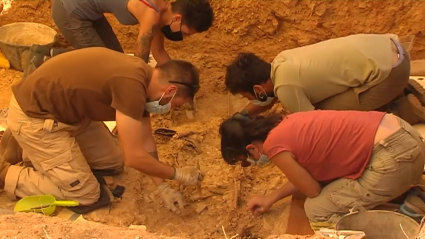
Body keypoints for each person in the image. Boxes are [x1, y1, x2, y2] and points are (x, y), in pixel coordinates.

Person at [0, 47, 203, 214]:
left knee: (112, 163)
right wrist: (177, 175)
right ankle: (5, 172)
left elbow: (146, 141)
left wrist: (162, 186)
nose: (168, 109)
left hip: (67, 115)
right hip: (35, 117)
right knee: (87, 195)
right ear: (170, 91)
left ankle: (28, 148)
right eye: (174, 104)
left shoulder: (142, 77)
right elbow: (133, 157)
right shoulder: (131, 86)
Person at [218, 110, 425, 231]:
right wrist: (272, 197)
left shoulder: (273, 146)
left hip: (396, 158)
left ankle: (402, 219)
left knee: (317, 208)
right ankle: (413, 198)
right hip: (407, 136)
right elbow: (307, 176)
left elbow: (312, 189)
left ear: (251, 148)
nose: (251, 164)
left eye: (246, 161)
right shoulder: (286, 122)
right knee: (333, 191)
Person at [224, 33, 425, 125]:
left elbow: (317, 126)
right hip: (392, 51)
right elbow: (269, 99)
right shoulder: (282, 61)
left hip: (392, 73)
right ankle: (402, 89)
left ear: (258, 89)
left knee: (328, 114)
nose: (252, 101)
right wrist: (243, 115)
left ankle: (406, 108)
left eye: (249, 96)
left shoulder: (285, 87)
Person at [24, 0, 214, 72]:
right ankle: (42, 58)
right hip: (69, 10)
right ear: (178, 19)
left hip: (89, 11)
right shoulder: (151, 14)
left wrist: (178, 79)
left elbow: (159, 53)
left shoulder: (162, 9)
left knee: (116, 59)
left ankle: (48, 54)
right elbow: (139, 62)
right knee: (105, 67)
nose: (183, 37)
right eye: (186, 33)